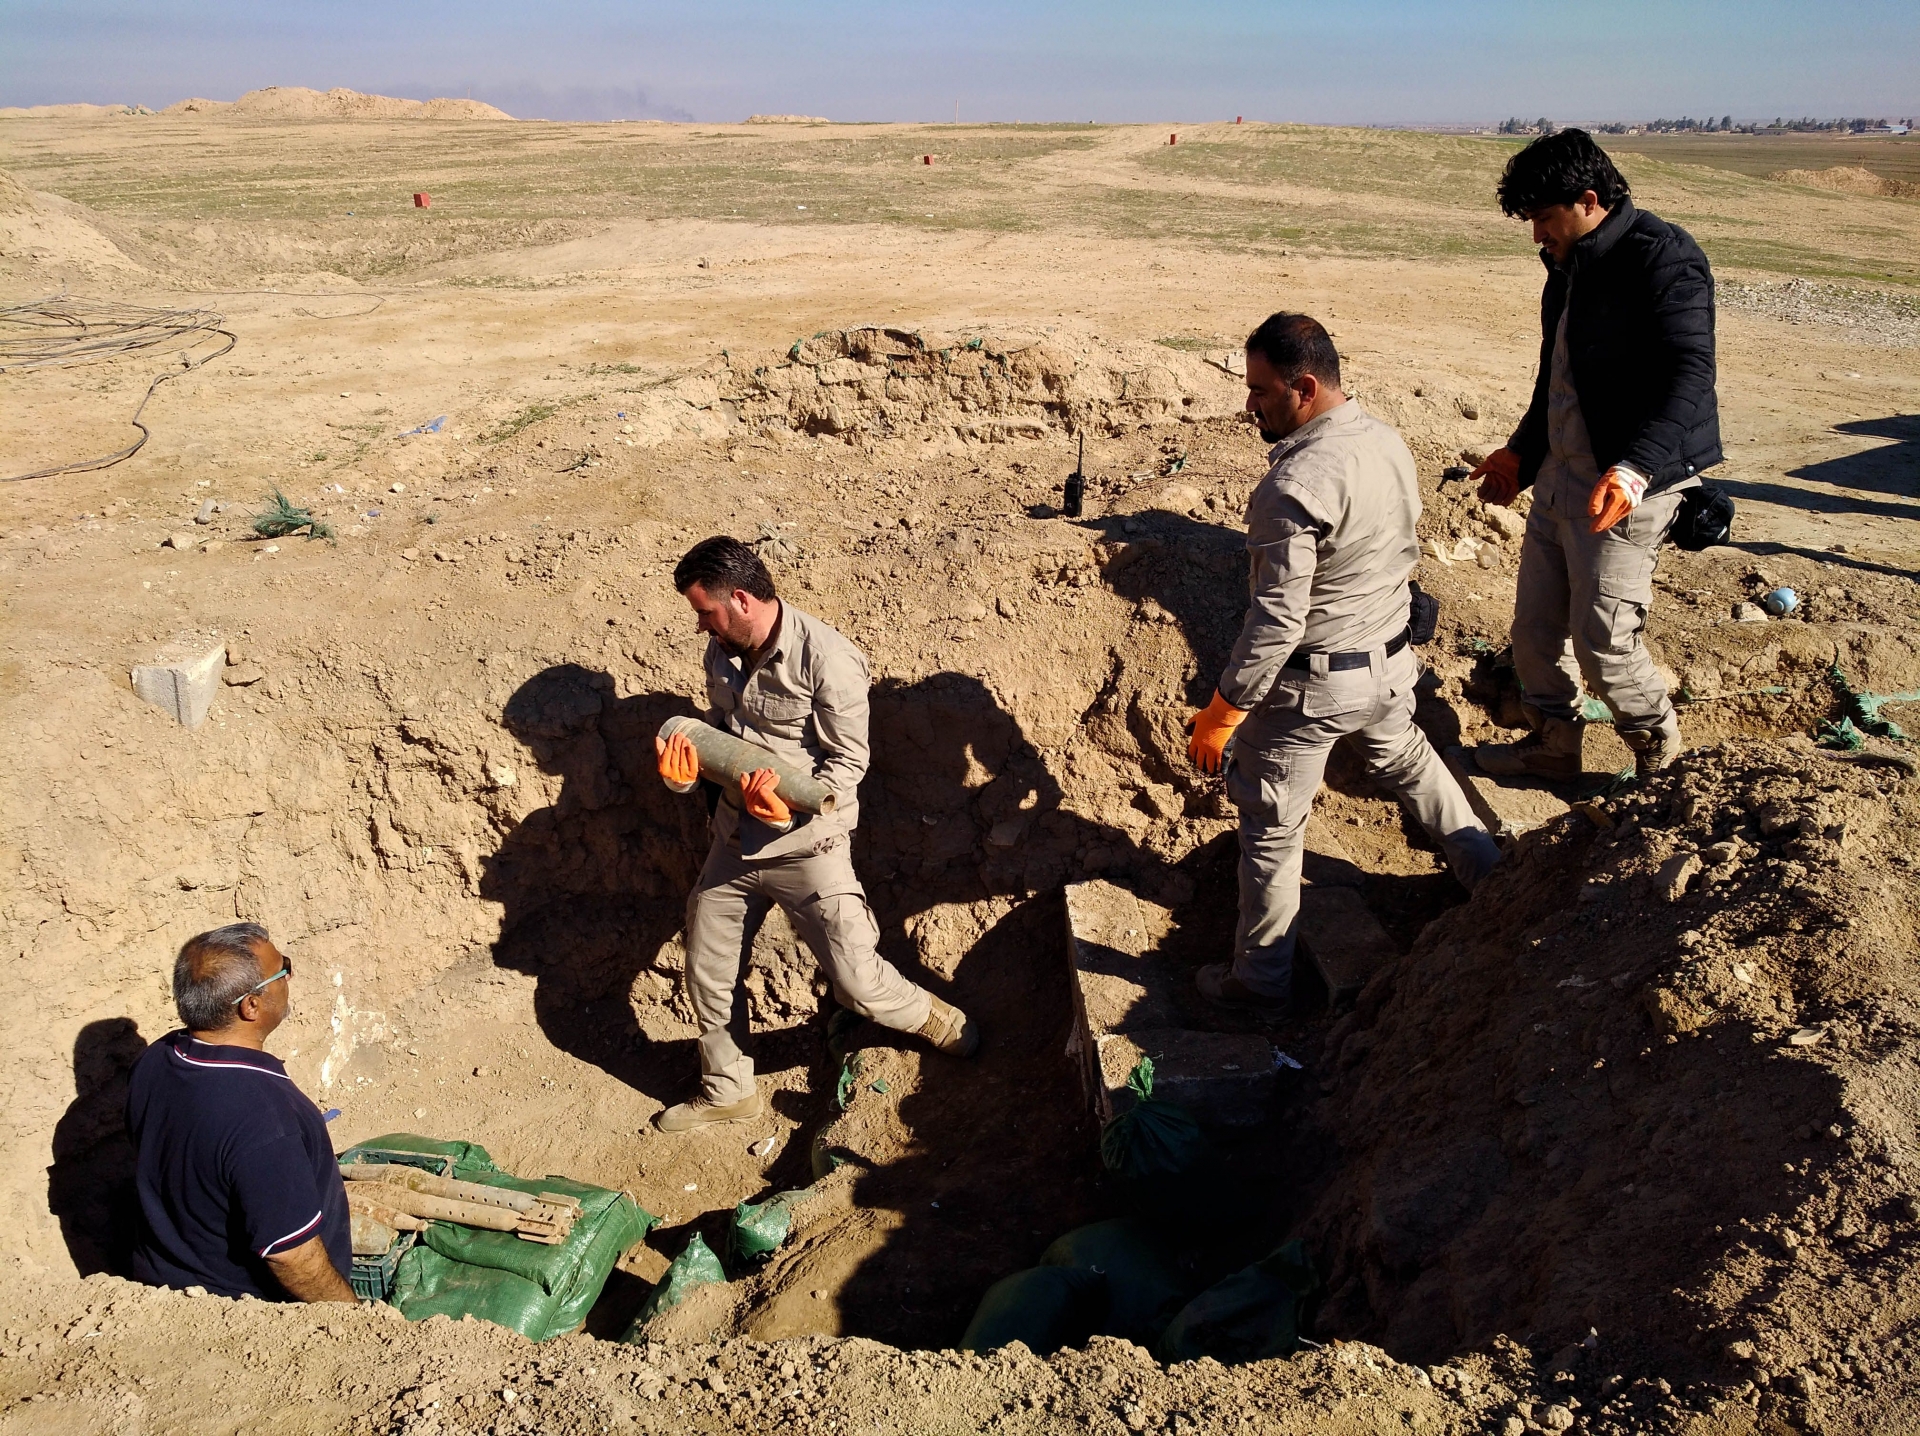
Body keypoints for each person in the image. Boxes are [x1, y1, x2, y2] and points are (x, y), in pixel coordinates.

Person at [1186, 313, 1501, 1010]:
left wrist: (1222, 712)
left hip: (1310, 688)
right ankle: (1495, 880)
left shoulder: (1291, 486)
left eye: (1261, 392)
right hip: (1390, 668)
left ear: (1303, 386)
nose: (1250, 406)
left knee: (1270, 828)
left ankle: (1257, 984)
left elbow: (1275, 620)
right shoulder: (1387, 442)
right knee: (1413, 764)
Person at [652, 536, 978, 1132]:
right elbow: (723, 739)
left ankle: (944, 1022)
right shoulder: (722, 651)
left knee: (857, 983)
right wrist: (684, 780)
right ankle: (728, 1088)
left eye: (706, 611)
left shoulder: (827, 658)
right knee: (708, 967)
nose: (701, 626)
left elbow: (847, 766)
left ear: (742, 599)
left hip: (808, 847)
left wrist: (784, 812)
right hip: (733, 842)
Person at [1470, 128, 1721, 781]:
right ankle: (1555, 745)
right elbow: (1558, 378)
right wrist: (1521, 456)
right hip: (1562, 479)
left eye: (1545, 219)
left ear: (1588, 199)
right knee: (1532, 634)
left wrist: (1637, 468)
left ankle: (1663, 773)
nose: (1536, 236)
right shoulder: (1566, 266)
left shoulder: (1664, 260)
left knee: (1605, 645)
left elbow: (1689, 377)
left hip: (1627, 486)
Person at [125, 923, 356, 1302]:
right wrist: (357, 1322)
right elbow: (292, 1256)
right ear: (251, 1005)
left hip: (163, 1282)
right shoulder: (265, 1119)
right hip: (243, 1307)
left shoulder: (155, 1060)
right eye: (283, 969)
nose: (290, 976)